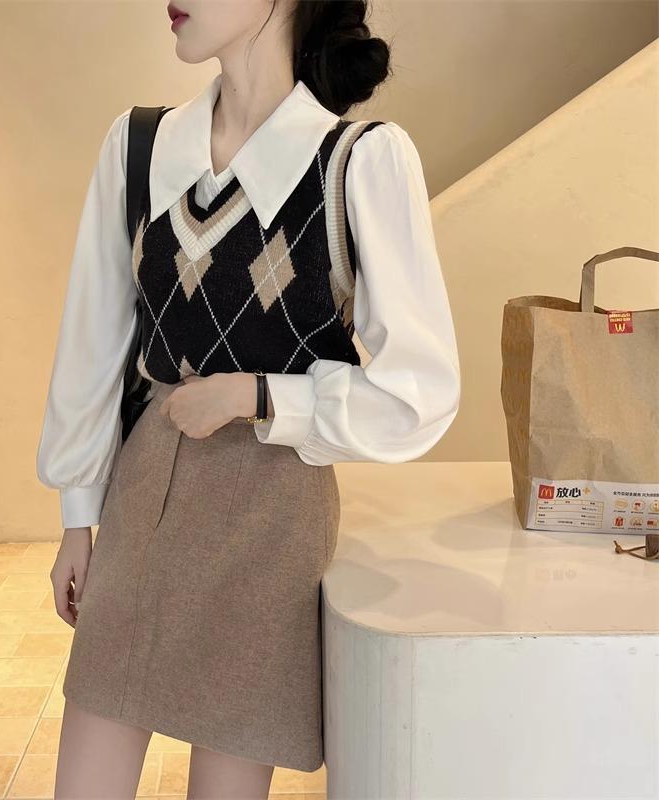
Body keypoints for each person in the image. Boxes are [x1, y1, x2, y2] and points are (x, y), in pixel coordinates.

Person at [36, 0, 461, 796]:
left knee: (227, 773)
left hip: (273, 510)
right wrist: (76, 514)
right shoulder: (138, 147)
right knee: (87, 768)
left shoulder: (358, 161)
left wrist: (261, 397)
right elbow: (92, 341)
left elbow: (420, 392)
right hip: (147, 487)